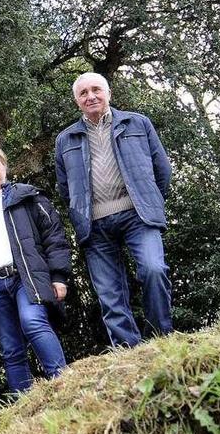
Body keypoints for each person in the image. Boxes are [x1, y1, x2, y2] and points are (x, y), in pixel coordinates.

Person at [55, 72, 173, 347]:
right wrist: (80, 211)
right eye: (83, 93)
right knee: (109, 294)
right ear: (77, 101)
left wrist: (149, 200)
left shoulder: (138, 123)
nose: (91, 96)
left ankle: (162, 340)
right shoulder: (66, 139)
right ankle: (129, 350)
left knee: (154, 269)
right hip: (94, 224)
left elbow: (161, 169)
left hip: (138, 216)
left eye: (96, 90)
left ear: (108, 93)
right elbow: (65, 187)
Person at [0, 142, 70, 393]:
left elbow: (54, 237)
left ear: (4, 167)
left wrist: (59, 276)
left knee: (33, 322)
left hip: (26, 277)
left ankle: (63, 383)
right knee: (10, 347)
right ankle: (22, 405)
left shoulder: (28, 196)